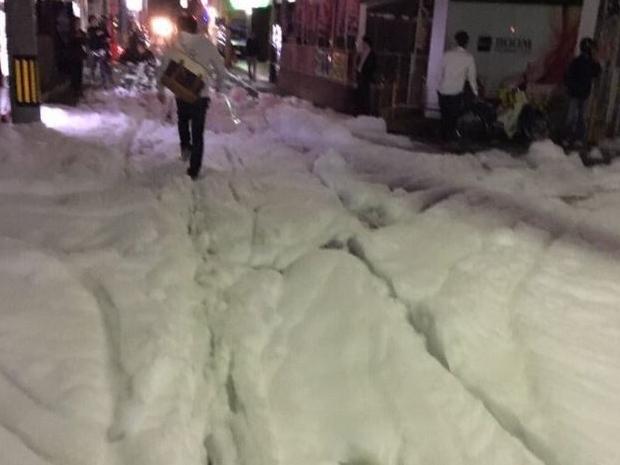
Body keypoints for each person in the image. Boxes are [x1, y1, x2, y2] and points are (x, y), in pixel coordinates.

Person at [158, 15, 227, 180]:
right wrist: (219, 87)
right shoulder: (206, 44)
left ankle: (185, 146)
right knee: (198, 132)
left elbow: (162, 68)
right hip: (200, 95)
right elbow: (220, 68)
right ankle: (194, 169)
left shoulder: (175, 45)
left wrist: (160, 90)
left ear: (181, 28)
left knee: (182, 121)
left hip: (182, 92)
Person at [438, 30, 478, 141]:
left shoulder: (447, 54)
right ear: (466, 42)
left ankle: (442, 138)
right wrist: (475, 92)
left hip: (442, 90)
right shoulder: (469, 58)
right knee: (453, 117)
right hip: (455, 92)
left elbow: (439, 72)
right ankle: (449, 140)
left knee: (444, 116)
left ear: (456, 41)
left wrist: (438, 86)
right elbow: (472, 78)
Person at [564, 37, 602, 148]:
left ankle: (576, 139)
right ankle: (568, 138)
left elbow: (597, 72)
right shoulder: (577, 62)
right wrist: (571, 87)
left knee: (580, 117)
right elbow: (568, 76)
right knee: (572, 117)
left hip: (583, 95)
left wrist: (596, 61)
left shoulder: (590, 63)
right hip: (576, 94)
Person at [87, 15, 112, 88]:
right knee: (93, 65)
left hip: (101, 49)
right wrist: (96, 35)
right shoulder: (90, 30)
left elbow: (107, 37)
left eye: (95, 20)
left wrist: (106, 40)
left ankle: (105, 81)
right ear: (90, 22)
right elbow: (90, 39)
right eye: (93, 21)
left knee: (102, 64)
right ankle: (93, 78)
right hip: (93, 50)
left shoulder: (101, 28)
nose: (94, 22)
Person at [356, 36, 376, 116]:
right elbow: (360, 63)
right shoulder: (362, 53)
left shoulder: (372, 54)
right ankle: (361, 111)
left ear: (367, 44)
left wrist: (368, 74)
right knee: (360, 93)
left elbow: (372, 66)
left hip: (366, 77)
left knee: (366, 94)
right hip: (361, 75)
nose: (363, 44)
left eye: (364, 43)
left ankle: (366, 112)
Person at [68, 18, 87, 100]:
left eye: (79, 23)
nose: (78, 25)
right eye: (77, 23)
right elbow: (71, 42)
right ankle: (74, 90)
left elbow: (85, 40)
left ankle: (79, 89)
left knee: (79, 73)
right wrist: (78, 39)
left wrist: (80, 39)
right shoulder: (71, 32)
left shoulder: (81, 32)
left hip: (79, 56)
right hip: (73, 55)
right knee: (74, 73)